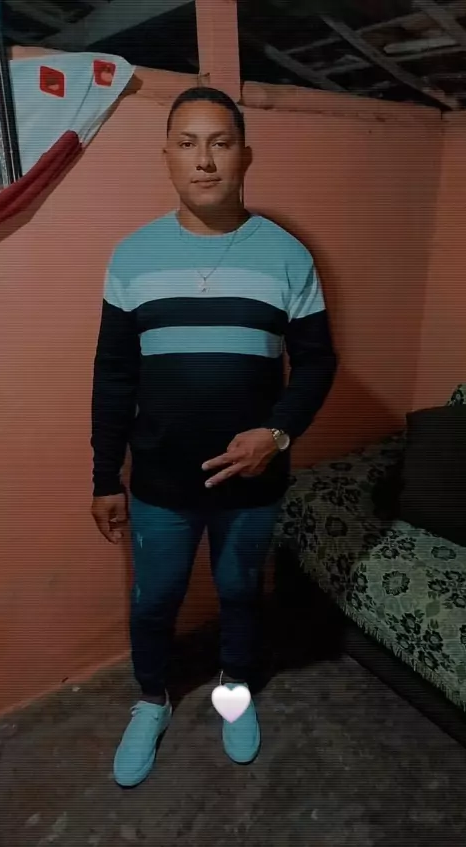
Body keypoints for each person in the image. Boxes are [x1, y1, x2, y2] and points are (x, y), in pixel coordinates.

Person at [91, 86, 337, 787]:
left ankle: (235, 691)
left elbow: (318, 361)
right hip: (159, 483)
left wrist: (277, 434)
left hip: (253, 483)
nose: (205, 160)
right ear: (167, 156)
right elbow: (113, 374)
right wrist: (105, 476)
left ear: (244, 156)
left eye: (220, 143)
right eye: (188, 144)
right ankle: (151, 700)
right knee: (154, 601)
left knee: (238, 593)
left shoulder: (288, 256)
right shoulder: (132, 256)